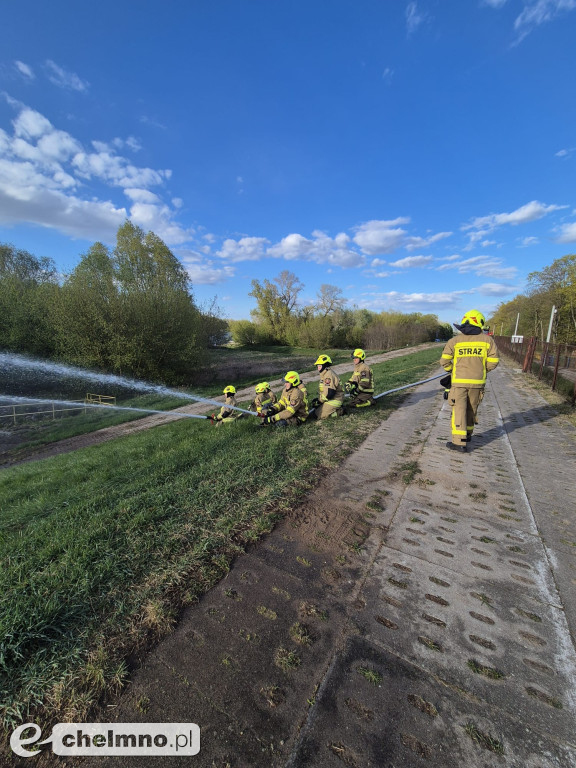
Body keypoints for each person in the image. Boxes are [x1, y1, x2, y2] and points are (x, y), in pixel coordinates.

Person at [441, 310, 499, 452]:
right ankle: (467, 435)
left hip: (459, 383)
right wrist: (481, 370)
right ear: (479, 324)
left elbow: (444, 361)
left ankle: (458, 442)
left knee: (458, 410)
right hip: (477, 383)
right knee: (472, 408)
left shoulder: (454, 341)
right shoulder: (488, 341)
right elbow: (493, 361)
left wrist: (451, 371)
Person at [308, 354, 344, 419]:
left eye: (319, 366)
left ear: (325, 365)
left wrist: (319, 401)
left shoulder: (328, 375)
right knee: (315, 412)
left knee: (319, 415)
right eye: (317, 366)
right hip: (328, 399)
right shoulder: (325, 374)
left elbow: (330, 393)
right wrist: (319, 400)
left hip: (334, 400)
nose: (318, 367)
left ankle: (340, 411)